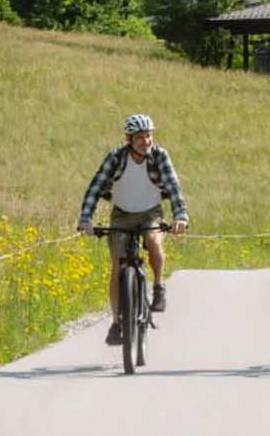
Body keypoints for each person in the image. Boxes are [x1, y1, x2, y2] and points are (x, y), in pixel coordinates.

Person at [78, 113, 189, 346]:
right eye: (139, 137)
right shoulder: (116, 158)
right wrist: (86, 218)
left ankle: (158, 286)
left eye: (148, 136)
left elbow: (174, 187)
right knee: (118, 265)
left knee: (154, 241)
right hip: (122, 213)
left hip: (151, 212)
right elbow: (95, 188)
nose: (145, 141)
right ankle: (117, 322)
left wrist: (180, 217)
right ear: (130, 139)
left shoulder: (159, 156)